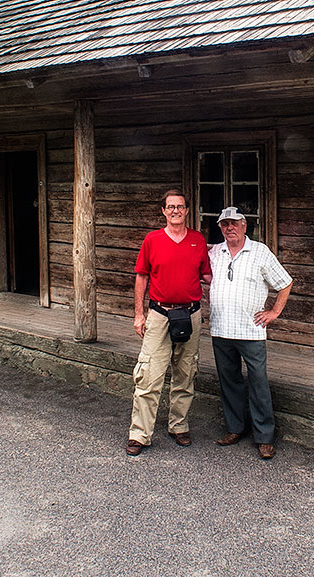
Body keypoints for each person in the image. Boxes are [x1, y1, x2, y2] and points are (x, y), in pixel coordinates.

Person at [126, 188, 212, 456]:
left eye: (181, 206)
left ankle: (179, 425)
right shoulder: (152, 240)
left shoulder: (198, 241)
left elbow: (208, 276)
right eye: (171, 207)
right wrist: (139, 314)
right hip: (160, 315)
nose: (176, 210)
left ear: (187, 211)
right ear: (163, 211)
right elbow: (141, 277)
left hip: (191, 315)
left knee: (185, 373)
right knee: (149, 375)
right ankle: (140, 433)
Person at [206, 206, 293, 460]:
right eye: (224, 224)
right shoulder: (215, 252)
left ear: (244, 225)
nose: (229, 228)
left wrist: (274, 312)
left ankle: (264, 437)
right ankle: (234, 428)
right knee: (229, 381)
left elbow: (285, 282)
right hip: (221, 328)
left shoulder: (260, 252)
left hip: (251, 331)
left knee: (258, 383)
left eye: (234, 223)